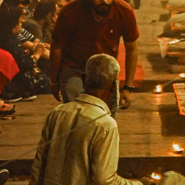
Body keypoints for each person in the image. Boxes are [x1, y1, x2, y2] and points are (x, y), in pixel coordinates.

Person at [29, 54, 146, 185]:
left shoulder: (56, 113)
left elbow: (38, 167)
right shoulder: (106, 125)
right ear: (113, 87)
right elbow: (105, 180)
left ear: (84, 80)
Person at [49, 0, 139, 110]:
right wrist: (54, 81)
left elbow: (132, 49)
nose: (104, 0)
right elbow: (57, 47)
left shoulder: (124, 11)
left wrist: (128, 87)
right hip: (75, 67)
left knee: (105, 116)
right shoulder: (69, 12)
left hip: (105, 70)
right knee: (76, 111)